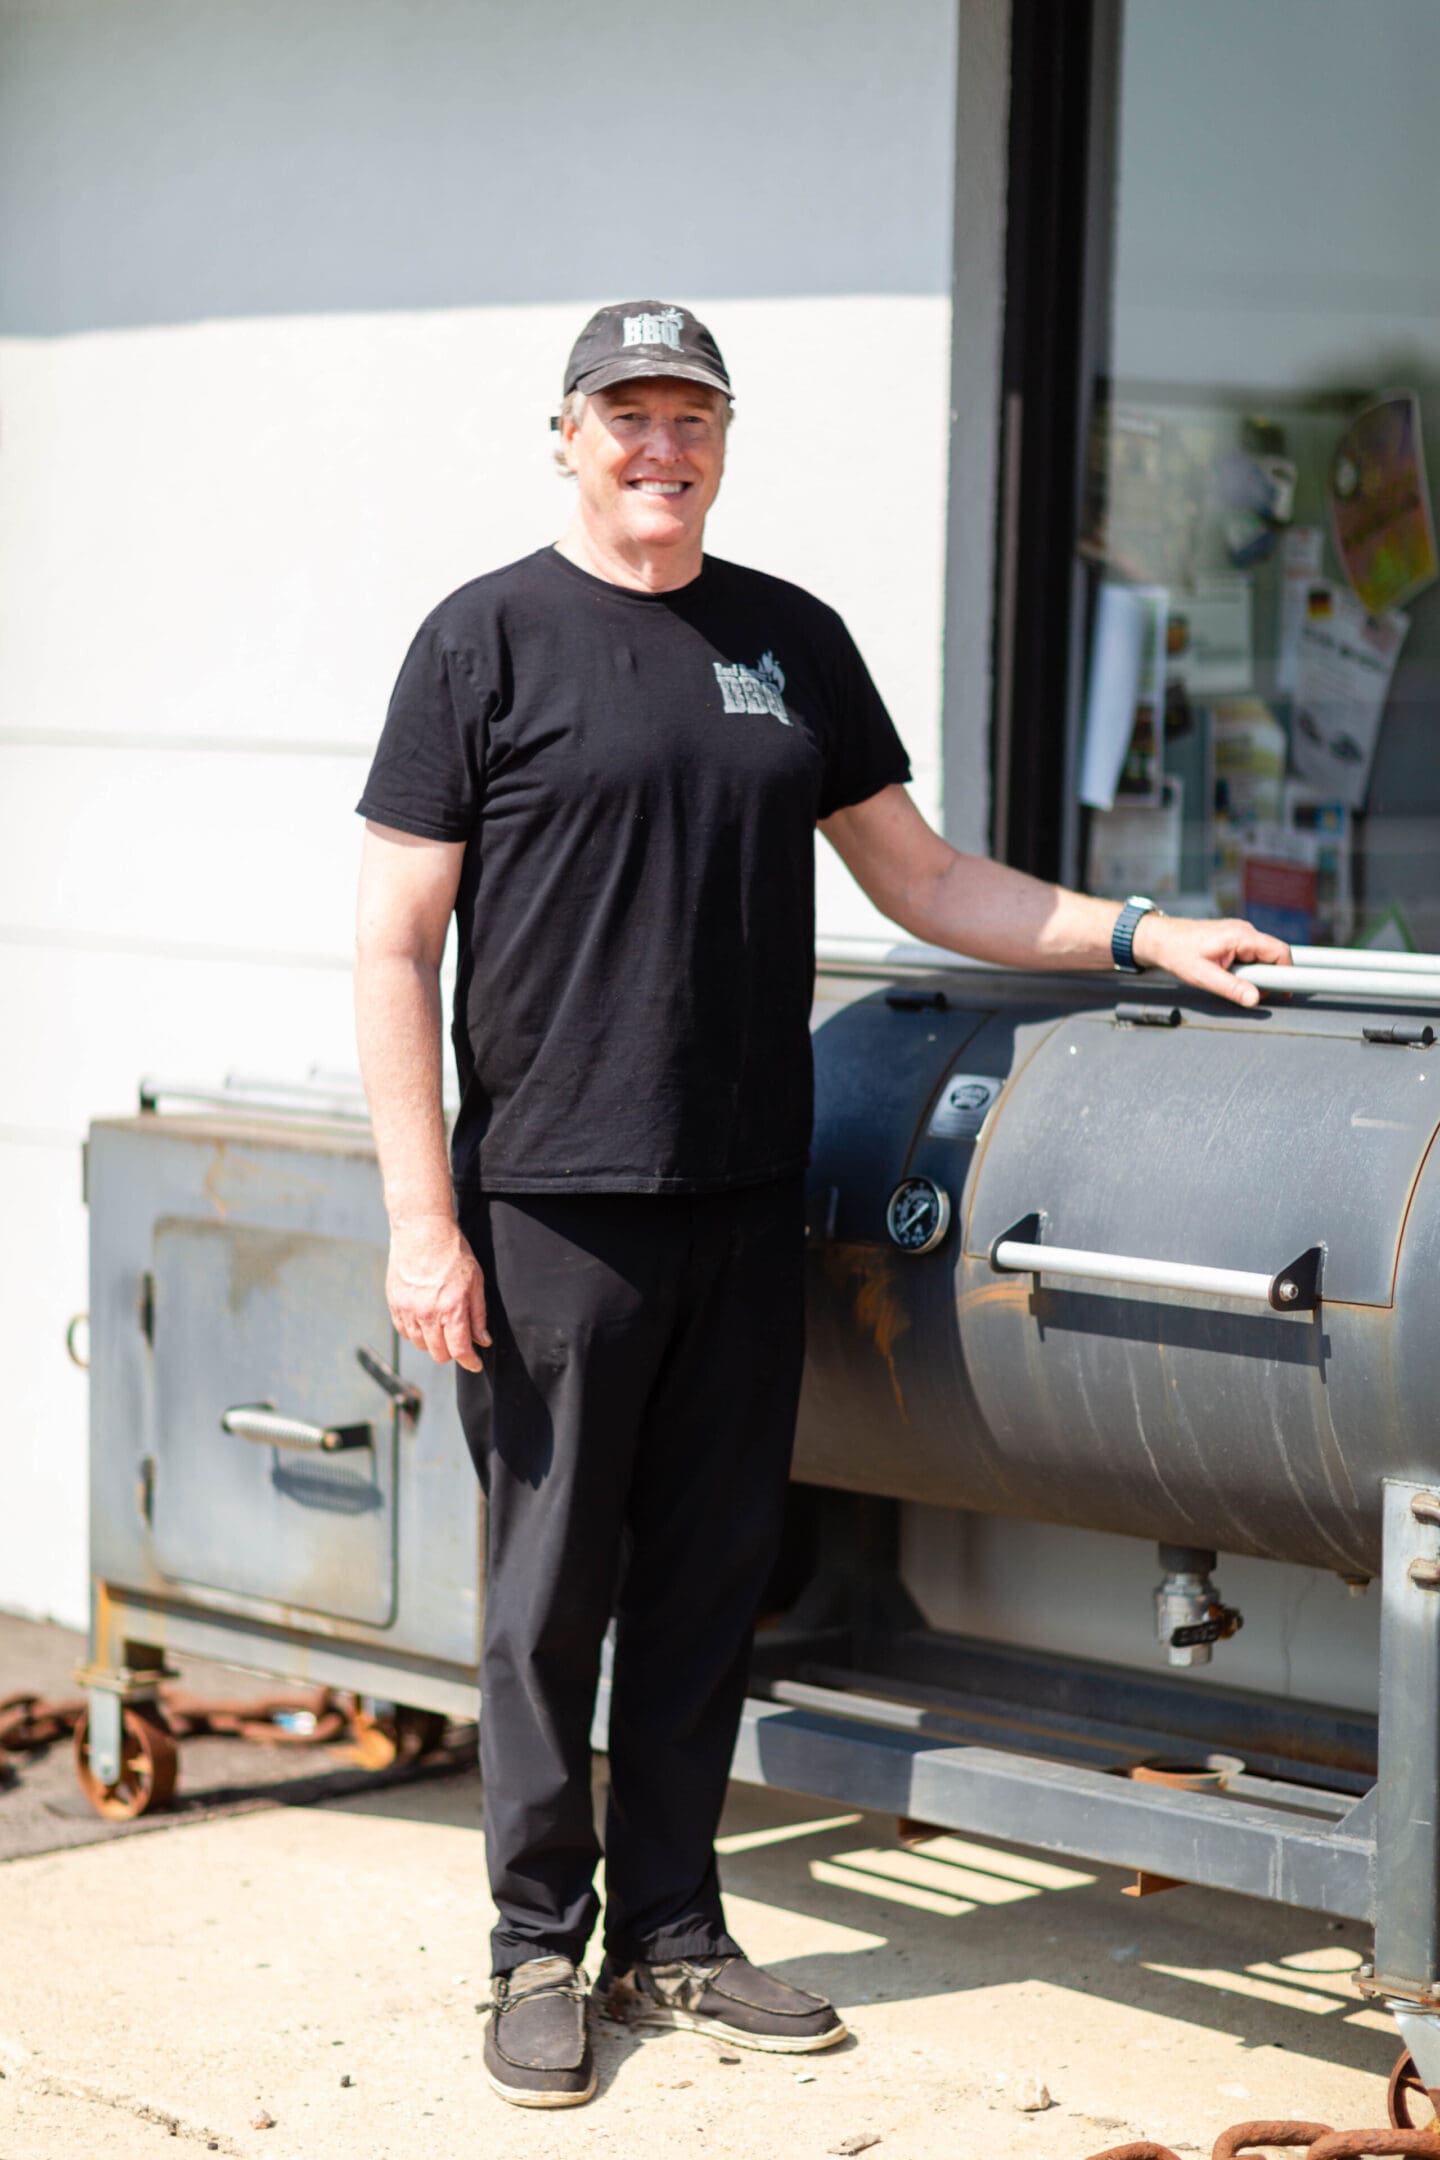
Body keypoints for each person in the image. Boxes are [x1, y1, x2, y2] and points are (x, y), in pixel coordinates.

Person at [353, 299, 1288, 2109]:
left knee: (712, 1584)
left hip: (747, 1194)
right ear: (565, 436)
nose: (660, 446)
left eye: (690, 416)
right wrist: (420, 1217)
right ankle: (537, 1949)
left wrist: (1139, 932)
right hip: (550, 1204)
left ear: (722, 438)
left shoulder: (787, 641)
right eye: (626, 416)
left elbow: (925, 877)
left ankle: (676, 1938)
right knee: (550, 1600)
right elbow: (393, 944)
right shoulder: (483, 641)